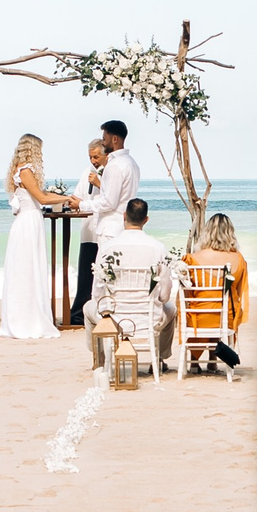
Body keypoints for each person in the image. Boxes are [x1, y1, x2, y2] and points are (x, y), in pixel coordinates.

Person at [85, 197, 177, 373]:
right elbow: (165, 292)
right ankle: (159, 359)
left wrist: (103, 305)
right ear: (146, 219)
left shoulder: (108, 247)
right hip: (149, 318)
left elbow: (97, 290)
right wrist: (157, 300)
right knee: (171, 309)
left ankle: (100, 359)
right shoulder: (157, 247)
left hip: (114, 319)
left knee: (88, 308)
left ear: (124, 216)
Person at [67, 120, 142, 324]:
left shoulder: (115, 166)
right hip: (122, 225)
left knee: (104, 278)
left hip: (110, 228)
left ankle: (104, 319)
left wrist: (82, 205)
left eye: (105, 137)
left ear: (114, 139)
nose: (103, 140)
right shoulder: (132, 163)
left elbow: (108, 202)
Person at [0, 135, 60, 340]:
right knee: (27, 270)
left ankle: (29, 316)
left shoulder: (21, 170)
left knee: (29, 269)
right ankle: (27, 320)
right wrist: (67, 197)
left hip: (30, 221)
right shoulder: (25, 171)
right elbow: (41, 198)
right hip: (28, 223)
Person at [179, 209, 250, 378]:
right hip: (226, 318)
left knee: (196, 306)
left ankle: (194, 362)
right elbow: (239, 291)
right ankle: (213, 361)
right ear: (230, 233)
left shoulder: (192, 258)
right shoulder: (239, 259)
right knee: (223, 308)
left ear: (207, 233)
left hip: (199, 318)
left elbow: (187, 293)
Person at [65, 138, 109, 327]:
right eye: (90, 157)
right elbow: (79, 196)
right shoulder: (87, 172)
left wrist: (99, 182)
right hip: (88, 228)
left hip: (106, 227)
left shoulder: (112, 172)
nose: (93, 161)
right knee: (85, 273)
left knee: (103, 272)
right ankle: (79, 313)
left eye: (96, 156)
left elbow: (113, 198)